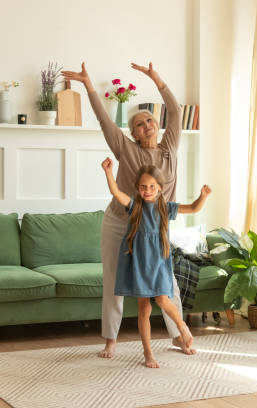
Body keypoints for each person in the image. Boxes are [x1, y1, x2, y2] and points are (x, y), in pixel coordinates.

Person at [62, 62, 194, 357]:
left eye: (149, 120)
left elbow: (174, 110)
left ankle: (178, 336)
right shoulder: (126, 149)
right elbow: (104, 121)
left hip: (154, 226)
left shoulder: (170, 147)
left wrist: (157, 80)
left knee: (166, 281)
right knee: (114, 280)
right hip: (120, 222)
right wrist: (89, 86)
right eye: (139, 123)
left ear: (157, 125)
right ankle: (111, 339)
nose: (146, 125)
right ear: (133, 133)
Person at [101, 158, 211, 367]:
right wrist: (108, 172)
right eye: (143, 186)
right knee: (144, 310)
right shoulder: (134, 206)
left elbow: (195, 208)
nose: (147, 190)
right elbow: (116, 192)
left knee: (162, 299)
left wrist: (203, 195)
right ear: (138, 188)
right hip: (139, 263)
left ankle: (182, 327)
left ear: (160, 188)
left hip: (159, 263)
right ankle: (148, 354)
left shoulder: (166, 208)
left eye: (152, 186)